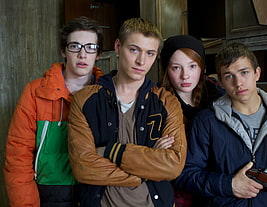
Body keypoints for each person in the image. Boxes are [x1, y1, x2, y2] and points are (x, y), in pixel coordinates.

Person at [67, 18, 187, 207]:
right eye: (134, 50)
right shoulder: (85, 100)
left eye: (150, 53)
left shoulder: (166, 102)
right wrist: (146, 169)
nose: (141, 61)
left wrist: (110, 151)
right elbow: (82, 167)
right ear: (117, 46)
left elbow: (173, 165)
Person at [175, 42, 267, 206]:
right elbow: (186, 175)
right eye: (229, 76)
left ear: (257, 73)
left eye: (244, 73)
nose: (238, 83)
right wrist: (228, 185)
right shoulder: (206, 122)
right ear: (221, 81)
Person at [4, 16, 104, 207]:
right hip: (49, 192)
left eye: (90, 47)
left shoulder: (108, 93)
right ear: (63, 51)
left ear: (98, 54)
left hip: (95, 190)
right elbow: (18, 157)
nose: (82, 54)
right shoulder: (35, 92)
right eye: (75, 46)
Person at [159, 34, 225, 207]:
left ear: (202, 67)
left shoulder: (218, 96)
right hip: (178, 188)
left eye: (192, 66)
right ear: (166, 69)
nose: (185, 76)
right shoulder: (156, 102)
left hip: (216, 183)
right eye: (176, 68)